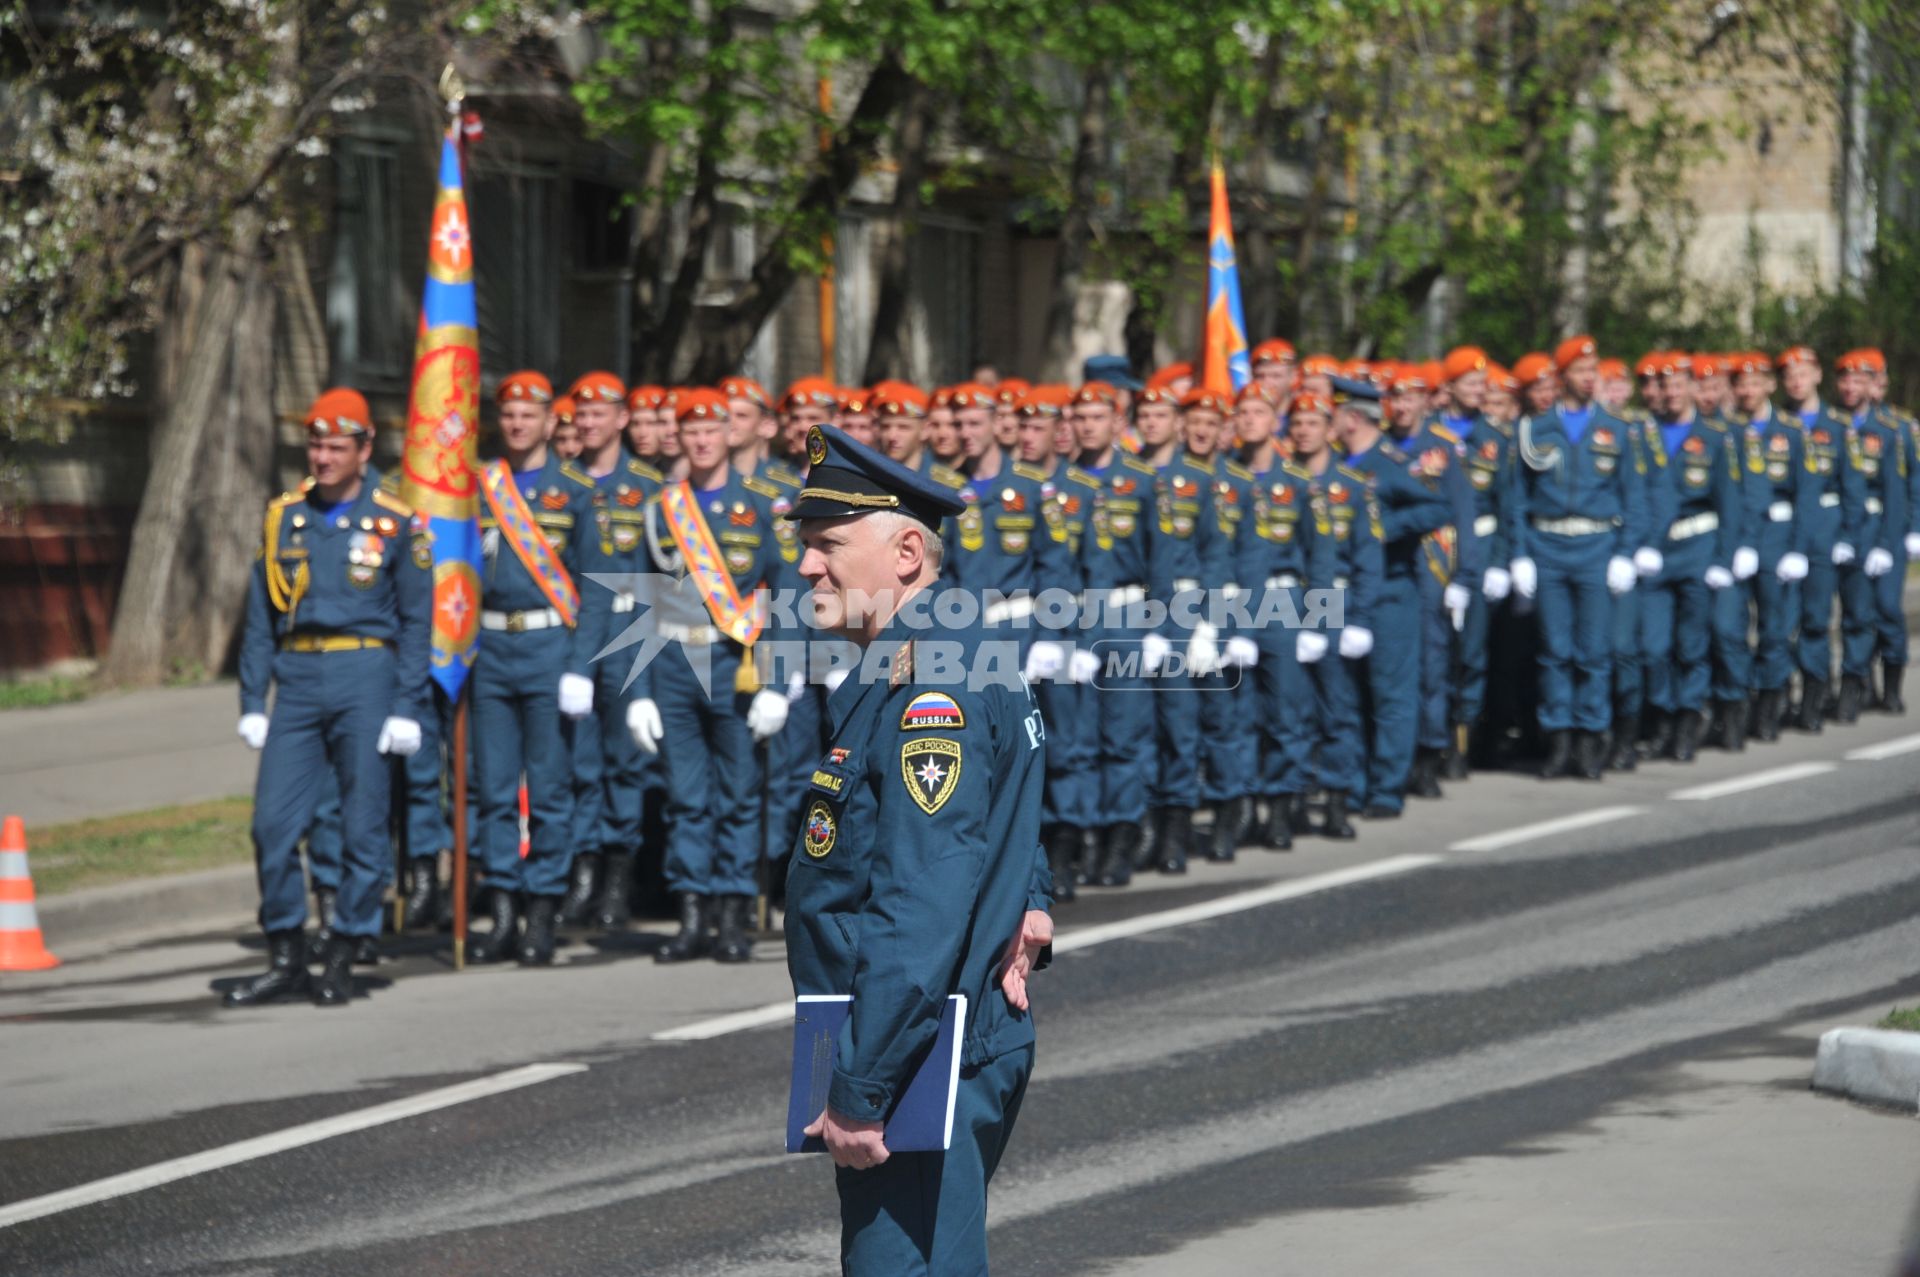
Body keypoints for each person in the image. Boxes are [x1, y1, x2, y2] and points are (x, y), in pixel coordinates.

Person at [781, 422, 1053, 1277]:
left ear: (906, 552)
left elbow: (918, 898)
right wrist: (1030, 896)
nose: (805, 567)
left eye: (827, 545)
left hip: (918, 1055)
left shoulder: (928, 683)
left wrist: (863, 1090)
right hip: (936, 1038)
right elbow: (997, 810)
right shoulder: (947, 650)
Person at [228, 388, 429, 1007]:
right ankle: (287, 952)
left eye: (336, 446)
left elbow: (420, 621)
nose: (322, 456)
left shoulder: (395, 524)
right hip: (298, 679)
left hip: (365, 676)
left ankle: (344, 949)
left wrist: (407, 705)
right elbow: (261, 617)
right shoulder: (284, 517)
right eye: (315, 444)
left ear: (365, 449)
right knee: (272, 826)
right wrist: (252, 702)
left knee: (363, 826)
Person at [626, 388, 797, 964]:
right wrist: (639, 692)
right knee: (685, 797)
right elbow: (642, 603)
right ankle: (692, 912)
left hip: (734, 665)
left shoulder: (765, 507)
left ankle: (731, 912)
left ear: (731, 434)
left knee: (739, 794)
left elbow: (786, 599)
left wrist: (778, 683)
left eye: (712, 430)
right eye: (690, 432)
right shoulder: (659, 510)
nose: (701, 441)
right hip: (674, 663)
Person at [465, 372, 609, 964]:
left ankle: (542, 910)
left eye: (531, 414)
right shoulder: (477, 488)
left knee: (549, 788)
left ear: (552, 422)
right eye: (510, 414)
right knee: (494, 787)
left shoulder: (574, 490)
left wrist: (581, 665)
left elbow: (595, 587)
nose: (519, 423)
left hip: (551, 648)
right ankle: (501, 910)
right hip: (490, 649)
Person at [1508, 336, 1650, 780]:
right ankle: (1559, 739)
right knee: (1554, 650)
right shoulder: (1534, 429)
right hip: (1547, 546)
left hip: (1596, 546)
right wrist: (1519, 555)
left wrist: (1626, 553)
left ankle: (1591, 739)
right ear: (1563, 375)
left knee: (1593, 651)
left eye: (1595, 372)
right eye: (1582, 371)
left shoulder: (1618, 429)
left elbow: (1634, 496)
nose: (1590, 379)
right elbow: (1516, 497)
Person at [1334, 378, 1452, 817]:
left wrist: (1382, 530)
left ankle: (1386, 787)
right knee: (1348, 696)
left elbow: (1437, 508)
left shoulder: (1390, 464)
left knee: (1391, 696)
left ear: (1352, 418)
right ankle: (1353, 784)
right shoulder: (1335, 465)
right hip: (1343, 592)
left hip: (1389, 592)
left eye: (1334, 413)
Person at [1640, 353, 1740, 761]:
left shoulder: (1716, 438)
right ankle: (1663, 717)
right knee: (1653, 646)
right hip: (1656, 555)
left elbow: (1729, 502)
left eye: (1681, 383)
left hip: (1698, 549)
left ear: (1694, 389)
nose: (1672, 391)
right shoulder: (1643, 436)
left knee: (1691, 645)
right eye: (1666, 385)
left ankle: (1685, 723)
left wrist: (1724, 557)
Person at [1287, 393, 1376, 838]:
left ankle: (1339, 799)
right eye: (1297, 422)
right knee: (1293, 710)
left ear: (1330, 427)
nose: (1304, 430)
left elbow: (1367, 557)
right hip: (1286, 605)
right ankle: (1298, 798)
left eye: (1313, 422)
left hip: (1336, 605)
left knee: (1338, 710)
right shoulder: (1280, 483)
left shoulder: (1353, 486)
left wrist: (1358, 618)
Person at [1778, 346, 1864, 731]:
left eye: (1803, 372)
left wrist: (1848, 534)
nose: (1796, 381)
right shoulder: (1776, 425)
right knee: (1781, 622)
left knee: (1815, 619)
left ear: (1816, 376)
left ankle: (1814, 696)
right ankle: (1786, 693)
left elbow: (1853, 486)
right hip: (1782, 534)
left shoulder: (1838, 426)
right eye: (1789, 374)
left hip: (1823, 534)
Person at [1834, 349, 1907, 722]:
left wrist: (1902, 535)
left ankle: (1892, 684)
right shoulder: (1833, 427)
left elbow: (1900, 489)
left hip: (1883, 530)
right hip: (1851, 532)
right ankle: (1856, 684)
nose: (1850, 387)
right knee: (1857, 613)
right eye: (1845, 379)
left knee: (1889, 610)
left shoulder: (1891, 430)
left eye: (1859, 379)